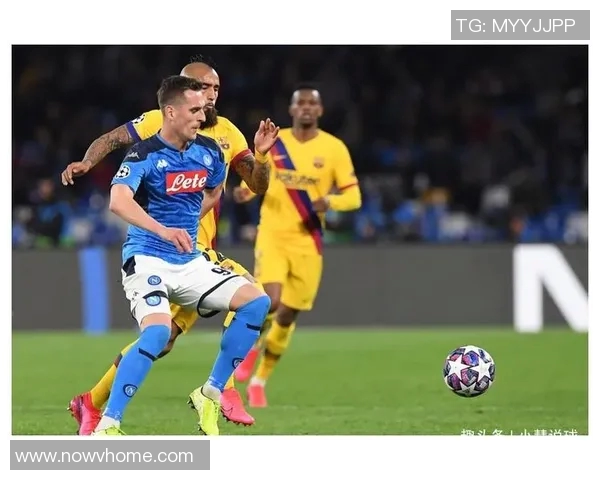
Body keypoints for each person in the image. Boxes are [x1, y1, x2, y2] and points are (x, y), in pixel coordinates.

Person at [62, 58, 278, 434]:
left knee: (249, 303)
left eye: (215, 90)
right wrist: (87, 162)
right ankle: (109, 416)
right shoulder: (151, 135)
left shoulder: (219, 142)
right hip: (152, 253)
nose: (209, 99)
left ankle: (212, 390)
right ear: (177, 102)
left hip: (195, 253)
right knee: (160, 336)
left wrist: (260, 157)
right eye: (202, 91)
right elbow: (112, 149)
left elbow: (238, 187)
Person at [231, 84, 362, 407]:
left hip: (308, 240)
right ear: (291, 110)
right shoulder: (276, 142)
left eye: (311, 103)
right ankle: (249, 348)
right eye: (300, 103)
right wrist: (247, 191)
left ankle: (259, 381)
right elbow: (258, 178)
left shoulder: (334, 148)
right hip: (273, 234)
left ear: (320, 110)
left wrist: (330, 202)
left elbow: (354, 196)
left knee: (288, 315)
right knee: (271, 301)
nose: (305, 107)